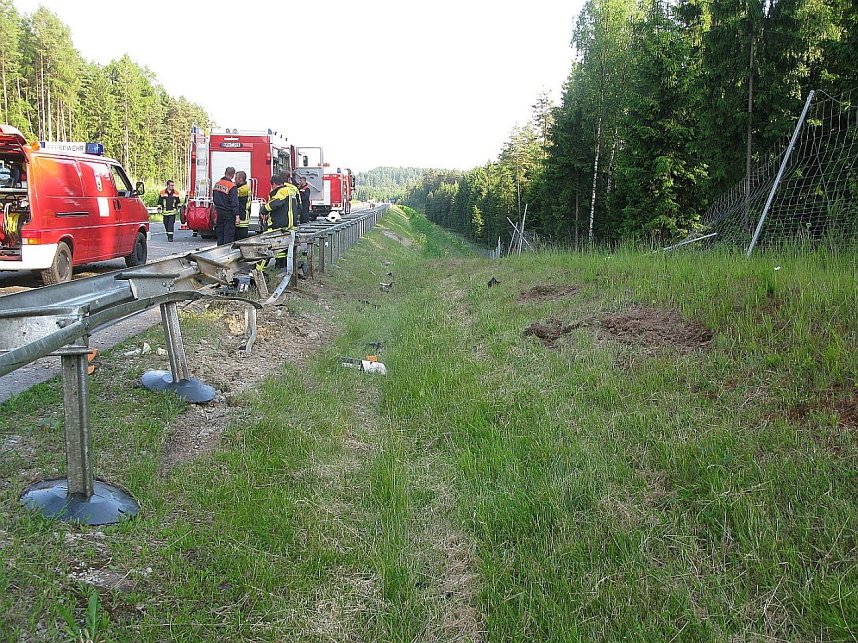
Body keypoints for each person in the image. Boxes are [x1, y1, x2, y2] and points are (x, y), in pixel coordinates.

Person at [259, 173, 300, 268]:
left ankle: (259, 272)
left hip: (277, 225)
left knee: (265, 248)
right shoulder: (291, 190)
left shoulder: (282, 191)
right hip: (289, 225)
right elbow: (299, 207)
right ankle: (281, 267)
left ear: (274, 184)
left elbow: (276, 203)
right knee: (282, 250)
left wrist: (264, 209)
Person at [212, 166, 240, 245]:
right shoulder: (232, 186)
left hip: (219, 212)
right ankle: (226, 253)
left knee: (220, 234)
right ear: (233, 175)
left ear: (225, 173)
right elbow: (234, 202)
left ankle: (219, 252)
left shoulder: (217, 184)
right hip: (229, 214)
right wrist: (237, 216)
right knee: (228, 235)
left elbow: (214, 199)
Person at [234, 170, 251, 240]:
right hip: (241, 216)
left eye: (236, 178)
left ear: (240, 179)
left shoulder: (244, 189)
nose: (234, 180)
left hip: (242, 218)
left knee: (242, 240)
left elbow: (233, 194)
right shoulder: (243, 187)